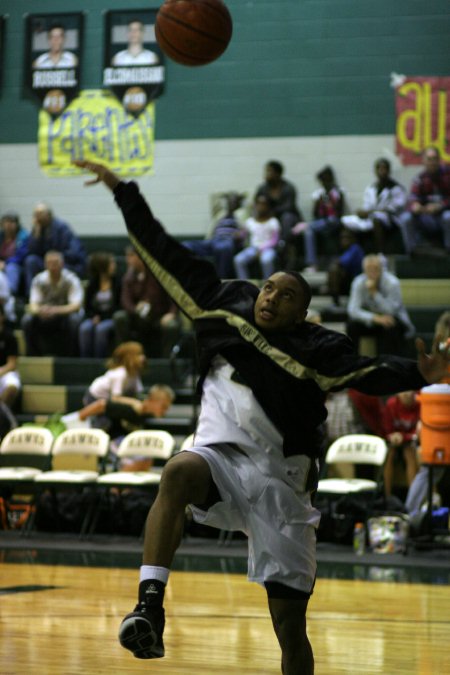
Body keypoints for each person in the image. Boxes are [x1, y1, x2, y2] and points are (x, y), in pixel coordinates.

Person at [75, 159, 450, 675]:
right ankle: (150, 605)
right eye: (268, 287)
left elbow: (365, 371)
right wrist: (122, 190)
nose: (271, 297)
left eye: (286, 295)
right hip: (220, 461)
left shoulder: (318, 348)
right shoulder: (220, 307)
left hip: (283, 484)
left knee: (290, 628)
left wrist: (418, 372)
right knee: (178, 471)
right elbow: (161, 246)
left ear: (304, 313)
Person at [405, 310, 450, 515]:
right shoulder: (443, 350)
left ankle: (410, 514)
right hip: (441, 414)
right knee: (429, 470)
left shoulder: (437, 351)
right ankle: (412, 513)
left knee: (428, 470)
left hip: (434, 417)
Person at [114, 246, 179, 357]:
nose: (127, 260)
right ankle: (124, 357)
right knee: (119, 317)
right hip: (138, 316)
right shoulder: (128, 277)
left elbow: (174, 296)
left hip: (159, 315)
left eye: (131, 256)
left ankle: (166, 363)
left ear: (141, 257)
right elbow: (125, 300)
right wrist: (135, 309)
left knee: (171, 326)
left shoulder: (159, 273)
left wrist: (171, 314)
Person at [346, 253, 415, 356]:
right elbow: (352, 310)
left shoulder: (392, 282)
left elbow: (392, 310)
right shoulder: (358, 282)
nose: (372, 272)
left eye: (376, 268)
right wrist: (375, 318)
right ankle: (353, 362)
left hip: (392, 319)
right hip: (372, 320)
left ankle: (386, 364)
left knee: (390, 326)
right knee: (351, 325)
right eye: (369, 269)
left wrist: (374, 293)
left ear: (382, 268)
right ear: (364, 270)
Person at [21, 250, 84, 357]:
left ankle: (72, 356)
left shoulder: (71, 279)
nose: (52, 266)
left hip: (64, 315)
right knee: (27, 320)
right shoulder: (39, 279)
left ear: (62, 264)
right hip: (45, 315)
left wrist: (55, 310)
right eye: (49, 263)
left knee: (74, 320)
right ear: (45, 264)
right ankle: (33, 355)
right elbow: (33, 304)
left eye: (55, 263)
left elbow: (76, 305)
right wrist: (40, 311)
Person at [341, 158, 407, 253]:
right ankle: (353, 254)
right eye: (379, 168)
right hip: (371, 217)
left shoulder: (396, 188)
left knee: (377, 220)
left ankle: (380, 254)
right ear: (375, 171)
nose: (382, 171)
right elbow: (367, 207)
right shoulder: (371, 188)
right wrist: (361, 212)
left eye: (384, 168)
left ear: (389, 171)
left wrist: (370, 212)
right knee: (345, 221)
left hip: (390, 220)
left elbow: (393, 209)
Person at [290, 166, 345, 272]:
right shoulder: (318, 194)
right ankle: (312, 263)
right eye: (322, 181)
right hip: (322, 221)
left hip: (334, 220)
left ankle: (305, 225)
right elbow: (315, 215)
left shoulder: (338, 191)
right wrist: (319, 203)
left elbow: (339, 212)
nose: (324, 183)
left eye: (326, 180)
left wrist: (332, 202)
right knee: (308, 232)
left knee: (330, 220)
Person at [398, 146, 450, 256]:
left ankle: (448, 250)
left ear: (439, 160)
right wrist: (415, 206)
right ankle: (412, 251)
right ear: (424, 161)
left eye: (434, 159)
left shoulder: (447, 176)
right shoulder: (420, 178)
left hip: (443, 216)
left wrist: (440, 206)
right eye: (429, 159)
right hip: (425, 217)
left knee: (448, 216)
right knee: (405, 218)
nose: (432, 162)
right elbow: (412, 198)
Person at [24, 202, 86, 294]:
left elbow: (73, 253)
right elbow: (31, 252)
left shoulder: (61, 227)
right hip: (47, 263)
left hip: (67, 263)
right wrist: (36, 235)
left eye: (40, 213)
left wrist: (53, 260)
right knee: (31, 260)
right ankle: (31, 296)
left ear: (49, 214)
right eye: (36, 214)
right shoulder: (37, 229)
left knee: (54, 263)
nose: (38, 217)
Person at [182, 191, 246, 278]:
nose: (231, 202)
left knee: (222, 248)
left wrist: (241, 197)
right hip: (213, 240)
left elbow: (245, 230)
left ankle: (221, 281)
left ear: (238, 203)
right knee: (186, 245)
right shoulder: (220, 215)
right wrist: (225, 195)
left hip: (228, 240)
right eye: (229, 200)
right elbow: (214, 199)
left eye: (234, 200)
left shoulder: (242, 214)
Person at [254, 160, 301, 266]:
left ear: (278, 173)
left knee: (286, 217)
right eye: (266, 171)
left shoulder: (288, 187)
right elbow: (256, 202)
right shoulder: (263, 188)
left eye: (269, 171)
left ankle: (283, 243)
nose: (266, 174)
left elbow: (289, 206)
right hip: (270, 218)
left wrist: (272, 212)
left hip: (289, 218)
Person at [79, 252, 121, 358]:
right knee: (85, 328)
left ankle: (98, 361)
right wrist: (93, 317)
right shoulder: (93, 284)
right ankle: (86, 361)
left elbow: (119, 306)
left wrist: (102, 317)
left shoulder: (118, 283)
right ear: (103, 266)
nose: (114, 266)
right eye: (111, 263)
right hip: (95, 317)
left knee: (101, 330)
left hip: (110, 317)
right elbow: (87, 306)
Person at [83, 341, 146, 407]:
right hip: (94, 398)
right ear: (130, 357)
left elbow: (138, 394)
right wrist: (134, 402)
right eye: (139, 354)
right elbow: (115, 399)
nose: (143, 357)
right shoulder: (120, 374)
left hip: (109, 400)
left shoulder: (135, 373)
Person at [382, 390, 420, 498]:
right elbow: (386, 428)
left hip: (411, 442)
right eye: (403, 393)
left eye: (409, 392)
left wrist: (404, 436)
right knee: (388, 455)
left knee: (409, 454)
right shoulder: (391, 404)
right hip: (395, 441)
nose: (406, 395)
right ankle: (387, 498)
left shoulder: (419, 403)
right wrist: (392, 436)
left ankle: (412, 500)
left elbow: (419, 431)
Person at [234, 195, 280, 279]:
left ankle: (268, 285)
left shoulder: (273, 221)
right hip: (253, 248)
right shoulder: (250, 221)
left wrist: (261, 249)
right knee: (238, 260)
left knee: (266, 260)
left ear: (268, 206)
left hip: (268, 248)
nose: (260, 206)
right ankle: (244, 284)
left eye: (263, 204)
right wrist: (238, 235)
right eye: (258, 204)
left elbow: (275, 240)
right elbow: (243, 234)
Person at [326, 228, 364, 308]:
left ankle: (335, 301)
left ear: (353, 239)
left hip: (356, 282)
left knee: (334, 270)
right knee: (333, 270)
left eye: (347, 237)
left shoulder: (355, 248)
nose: (344, 240)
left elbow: (342, 262)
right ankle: (332, 293)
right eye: (342, 238)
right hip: (347, 282)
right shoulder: (345, 250)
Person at [0, 211, 30, 296]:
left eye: (12, 222)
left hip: (17, 264)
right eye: (6, 222)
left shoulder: (24, 236)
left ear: (17, 224)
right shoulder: (1, 236)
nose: (9, 225)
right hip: (1, 263)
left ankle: (10, 294)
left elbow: (22, 255)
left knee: (11, 268)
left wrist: (5, 263)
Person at [0, 304, 21, 411]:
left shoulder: (9, 337)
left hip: (5, 373)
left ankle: (2, 416)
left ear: (2, 317)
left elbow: (12, 364)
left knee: (12, 385)